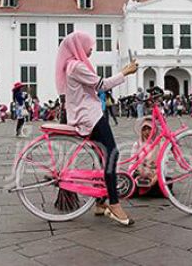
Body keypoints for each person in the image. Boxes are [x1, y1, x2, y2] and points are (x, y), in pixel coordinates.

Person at [55, 31, 138, 226]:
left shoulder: (72, 65)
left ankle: (100, 202)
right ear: (78, 48)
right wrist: (125, 71)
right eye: (88, 45)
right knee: (112, 154)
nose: (91, 49)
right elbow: (101, 85)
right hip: (90, 116)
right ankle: (114, 204)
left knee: (102, 157)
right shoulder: (76, 67)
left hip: (88, 114)